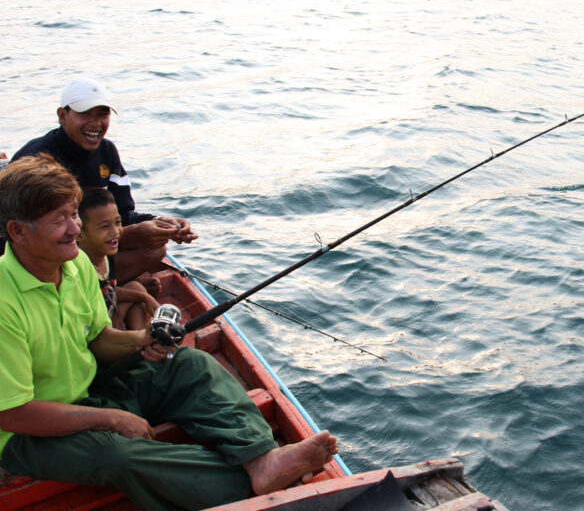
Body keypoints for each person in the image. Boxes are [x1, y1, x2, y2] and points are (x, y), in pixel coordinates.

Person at [0, 154, 338, 511]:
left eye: (73, 214)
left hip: (89, 390)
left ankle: (262, 460)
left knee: (188, 362)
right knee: (119, 455)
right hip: (24, 434)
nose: (74, 229)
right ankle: (248, 492)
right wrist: (112, 418)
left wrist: (142, 339)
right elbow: (14, 414)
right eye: (60, 220)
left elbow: (97, 339)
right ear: (18, 231)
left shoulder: (75, 263)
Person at [10, 77, 198, 284]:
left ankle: (107, 287)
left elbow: (123, 213)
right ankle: (102, 288)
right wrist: (134, 233)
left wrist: (159, 222)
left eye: (103, 114)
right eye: (84, 114)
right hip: (44, 251)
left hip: (85, 244)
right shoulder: (37, 161)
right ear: (62, 115)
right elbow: (32, 236)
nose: (95, 123)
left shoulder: (107, 151)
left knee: (154, 249)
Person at [78, 187, 159, 330]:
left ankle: (138, 341)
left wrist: (144, 297)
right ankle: (136, 342)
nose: (115, 232)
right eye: (104, 227)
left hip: (109, 315)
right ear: (79, 233)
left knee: (136, 288)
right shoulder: (79, 269)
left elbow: (109, 290)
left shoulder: (106, 256)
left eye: (117, 222)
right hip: (96, 329)